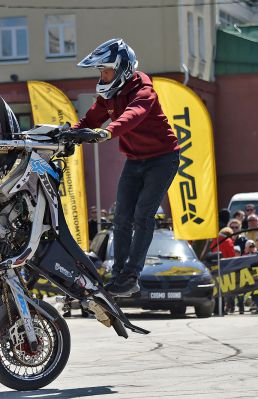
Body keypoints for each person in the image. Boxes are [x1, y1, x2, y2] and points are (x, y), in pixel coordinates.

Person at [73, 38, 180, 296]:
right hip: (135, 160)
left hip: (162, 159)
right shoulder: (109, 95)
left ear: (122, 69)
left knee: (143, 215)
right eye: (101, 72)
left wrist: (108, 133)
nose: (102, 76)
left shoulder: (143, 90)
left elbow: (133, 115)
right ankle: (119, 275)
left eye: (106, 70)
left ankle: (132, 275)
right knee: (120, 218)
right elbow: (91, 118)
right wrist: (72, 133)